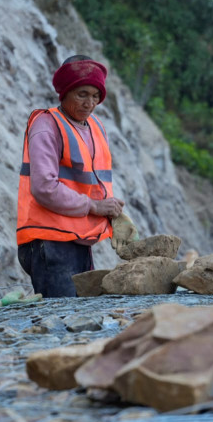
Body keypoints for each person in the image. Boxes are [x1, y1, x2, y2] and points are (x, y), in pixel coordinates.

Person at [16, 55, 137, 297]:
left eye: (95, 96)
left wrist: (112, 213)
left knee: (77, 323)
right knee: (60, 324)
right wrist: (94, 206)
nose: (89, 103)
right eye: (82, 94)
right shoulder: (46, 125)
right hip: (48, 242)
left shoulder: (95, 127)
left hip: (78, 241)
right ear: (65, 92)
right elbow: (44, 187)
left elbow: (92, 184)